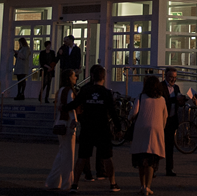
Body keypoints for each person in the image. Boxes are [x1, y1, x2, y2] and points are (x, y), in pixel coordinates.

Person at [66, 64, 120, 192]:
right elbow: (113, 112)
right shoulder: (106, 93)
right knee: (107, 157)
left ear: (92, 77)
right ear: (103, 78)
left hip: (87, 127)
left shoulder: (86, 90)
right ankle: (113, 183)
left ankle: (75, 184)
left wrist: (63, 107)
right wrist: (118, 127)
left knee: (82, 157)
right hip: (102, 128)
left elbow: (75, 103)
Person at [130, 75, 167, 196]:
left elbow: (134, 112)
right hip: (156, 131)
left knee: (141, 159)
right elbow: (165, 117)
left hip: (141, 130)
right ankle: (148, 186)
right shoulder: (162, 100)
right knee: (151, 160)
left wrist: (130, 118)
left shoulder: (141, 97)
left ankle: (142, 185)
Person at [46, 69, 79, 191]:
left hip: (60, 123)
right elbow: (71, 107)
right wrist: (74, 120)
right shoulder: (69, 91)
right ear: (69, 78)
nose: (76, 78)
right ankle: (67, 183)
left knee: (62, 153)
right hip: (67, 125)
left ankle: (53, 181)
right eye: (74, 76)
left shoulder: (60, 90)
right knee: (68, 156)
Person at [161, 67, 185, 176]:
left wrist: (182, 101)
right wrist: (175, 99)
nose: (173, 79)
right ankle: (153, 168)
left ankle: (169, 168)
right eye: (171, 77)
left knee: (170, 146)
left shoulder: (176, 88)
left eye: (175, 77)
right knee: (158, 145)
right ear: (166, 76)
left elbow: (178, 102)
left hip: (172, 119)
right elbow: (162, 101)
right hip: (162, 120)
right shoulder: (161, 87)